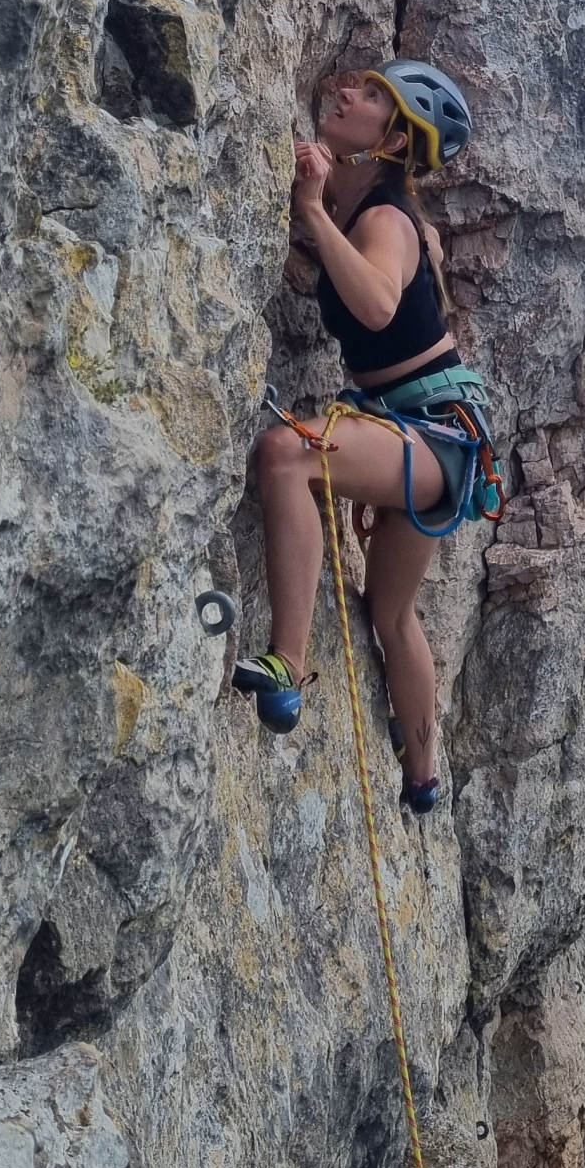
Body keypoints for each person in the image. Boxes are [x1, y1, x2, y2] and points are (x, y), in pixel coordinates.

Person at [234, 60, 475, 814]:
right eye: (357, 85)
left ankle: (289, 664)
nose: (347, 92)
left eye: (373, 97)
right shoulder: (372, 210)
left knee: (285, 454)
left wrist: (311, 212)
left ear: (397, 139)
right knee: (389, 612)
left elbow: (373, 306)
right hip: (434, 435)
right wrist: (318, 199)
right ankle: (423, 777)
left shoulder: (385, 220)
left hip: (427, 437)